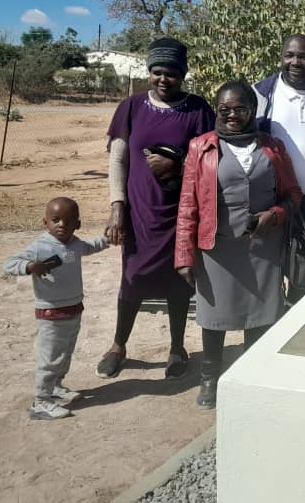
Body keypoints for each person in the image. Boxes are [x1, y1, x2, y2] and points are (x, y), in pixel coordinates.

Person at [175, 81, 302, 409]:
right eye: (225, 110)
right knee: (214, 317)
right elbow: (188, 204)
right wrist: (184, 256)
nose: (232, 115)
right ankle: (210, 379)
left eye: (240, 109)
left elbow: (293, 194)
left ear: (253, 110)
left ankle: (252, 377)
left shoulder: (273, 147)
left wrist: (275, 215)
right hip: (217, 251)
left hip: (263, 249)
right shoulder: (201, 147)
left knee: (260, 316)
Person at [99, 37, 215, 380]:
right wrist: (117, 207)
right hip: (139, 212)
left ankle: (177, 348)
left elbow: (211, 160)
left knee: (178, 279)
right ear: (149, 71)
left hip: (181, 213)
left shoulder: (198, 110)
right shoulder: (131, 107)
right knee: (132, 277)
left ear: (184, 74)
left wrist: (177, 167)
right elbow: (118, 160)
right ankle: (118, 346)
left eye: (172, 73)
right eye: (157, 72)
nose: (164, 79)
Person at [5, 197, 110, 419]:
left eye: (68, 220)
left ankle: (55, 387)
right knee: (51, 357)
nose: (62, 224)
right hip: (51, 314)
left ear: (77, 224)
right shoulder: (40, 247)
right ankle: (41, 402)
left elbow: (90, 247)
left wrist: (108, 239)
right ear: (45, 222)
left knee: (65, 354)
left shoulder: (75, 244)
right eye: (55, 220)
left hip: (74, 309)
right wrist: (29, 266)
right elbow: (9, 263)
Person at [254, 34, 305, 300]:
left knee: (304, 269)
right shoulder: (261, 94)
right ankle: (269, 322)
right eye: (289, 55)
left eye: (303, 57)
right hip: (272, 202)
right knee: (269, 269)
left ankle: (296, 315)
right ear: (281, 57)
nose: (295, 62)